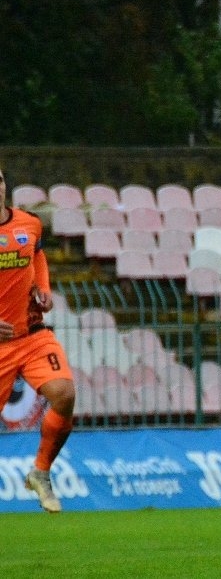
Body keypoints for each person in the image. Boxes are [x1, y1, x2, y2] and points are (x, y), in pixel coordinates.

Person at [0, 166, 76, 513]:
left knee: (64, 394)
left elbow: (38, 255)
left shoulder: (29, 224)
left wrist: (43, 288)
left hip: (31, 335)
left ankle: (40, 472)